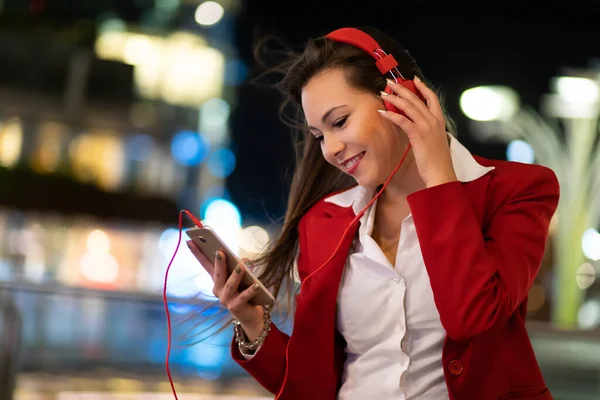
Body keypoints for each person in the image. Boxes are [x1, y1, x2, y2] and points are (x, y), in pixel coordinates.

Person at [187, 26, 559, 400]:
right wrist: (253, 324)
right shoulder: (324, 222)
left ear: (399, 98)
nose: (330, 149)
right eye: (319, 135)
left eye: (339, 121)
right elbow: (310, 383)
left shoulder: (518, 191)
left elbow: (472, 317)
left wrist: (439, 177)